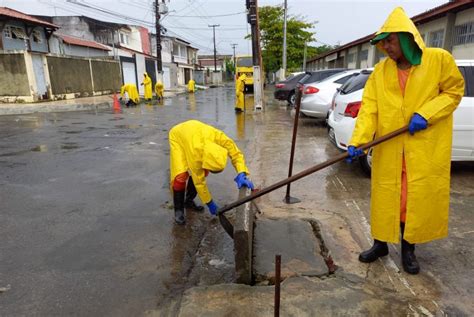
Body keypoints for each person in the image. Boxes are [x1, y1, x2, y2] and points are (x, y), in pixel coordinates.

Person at [346, 7, 464, 274]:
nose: (385, 47)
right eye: (382, 42)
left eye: (390, 40)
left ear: (406, 37)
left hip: (422, 147)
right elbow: (369, 109)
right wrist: (358, 141)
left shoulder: (438, 60)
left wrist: (426, 113)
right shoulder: (381, 71)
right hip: (389, 148)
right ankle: (380, 243)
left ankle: (409, 248)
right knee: (386, 195)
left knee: (411, 198)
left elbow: (454, 91)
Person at [169, 120, 254, 225]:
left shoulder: (219, 137)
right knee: (181, 175)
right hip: (178, 135)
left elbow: (235, 152)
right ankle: (178, 210)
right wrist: (210, 203)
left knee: (202, 172)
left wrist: (241, 172)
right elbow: (198, 181)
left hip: (195, 131)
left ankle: (188, 200)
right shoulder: (195, 154)